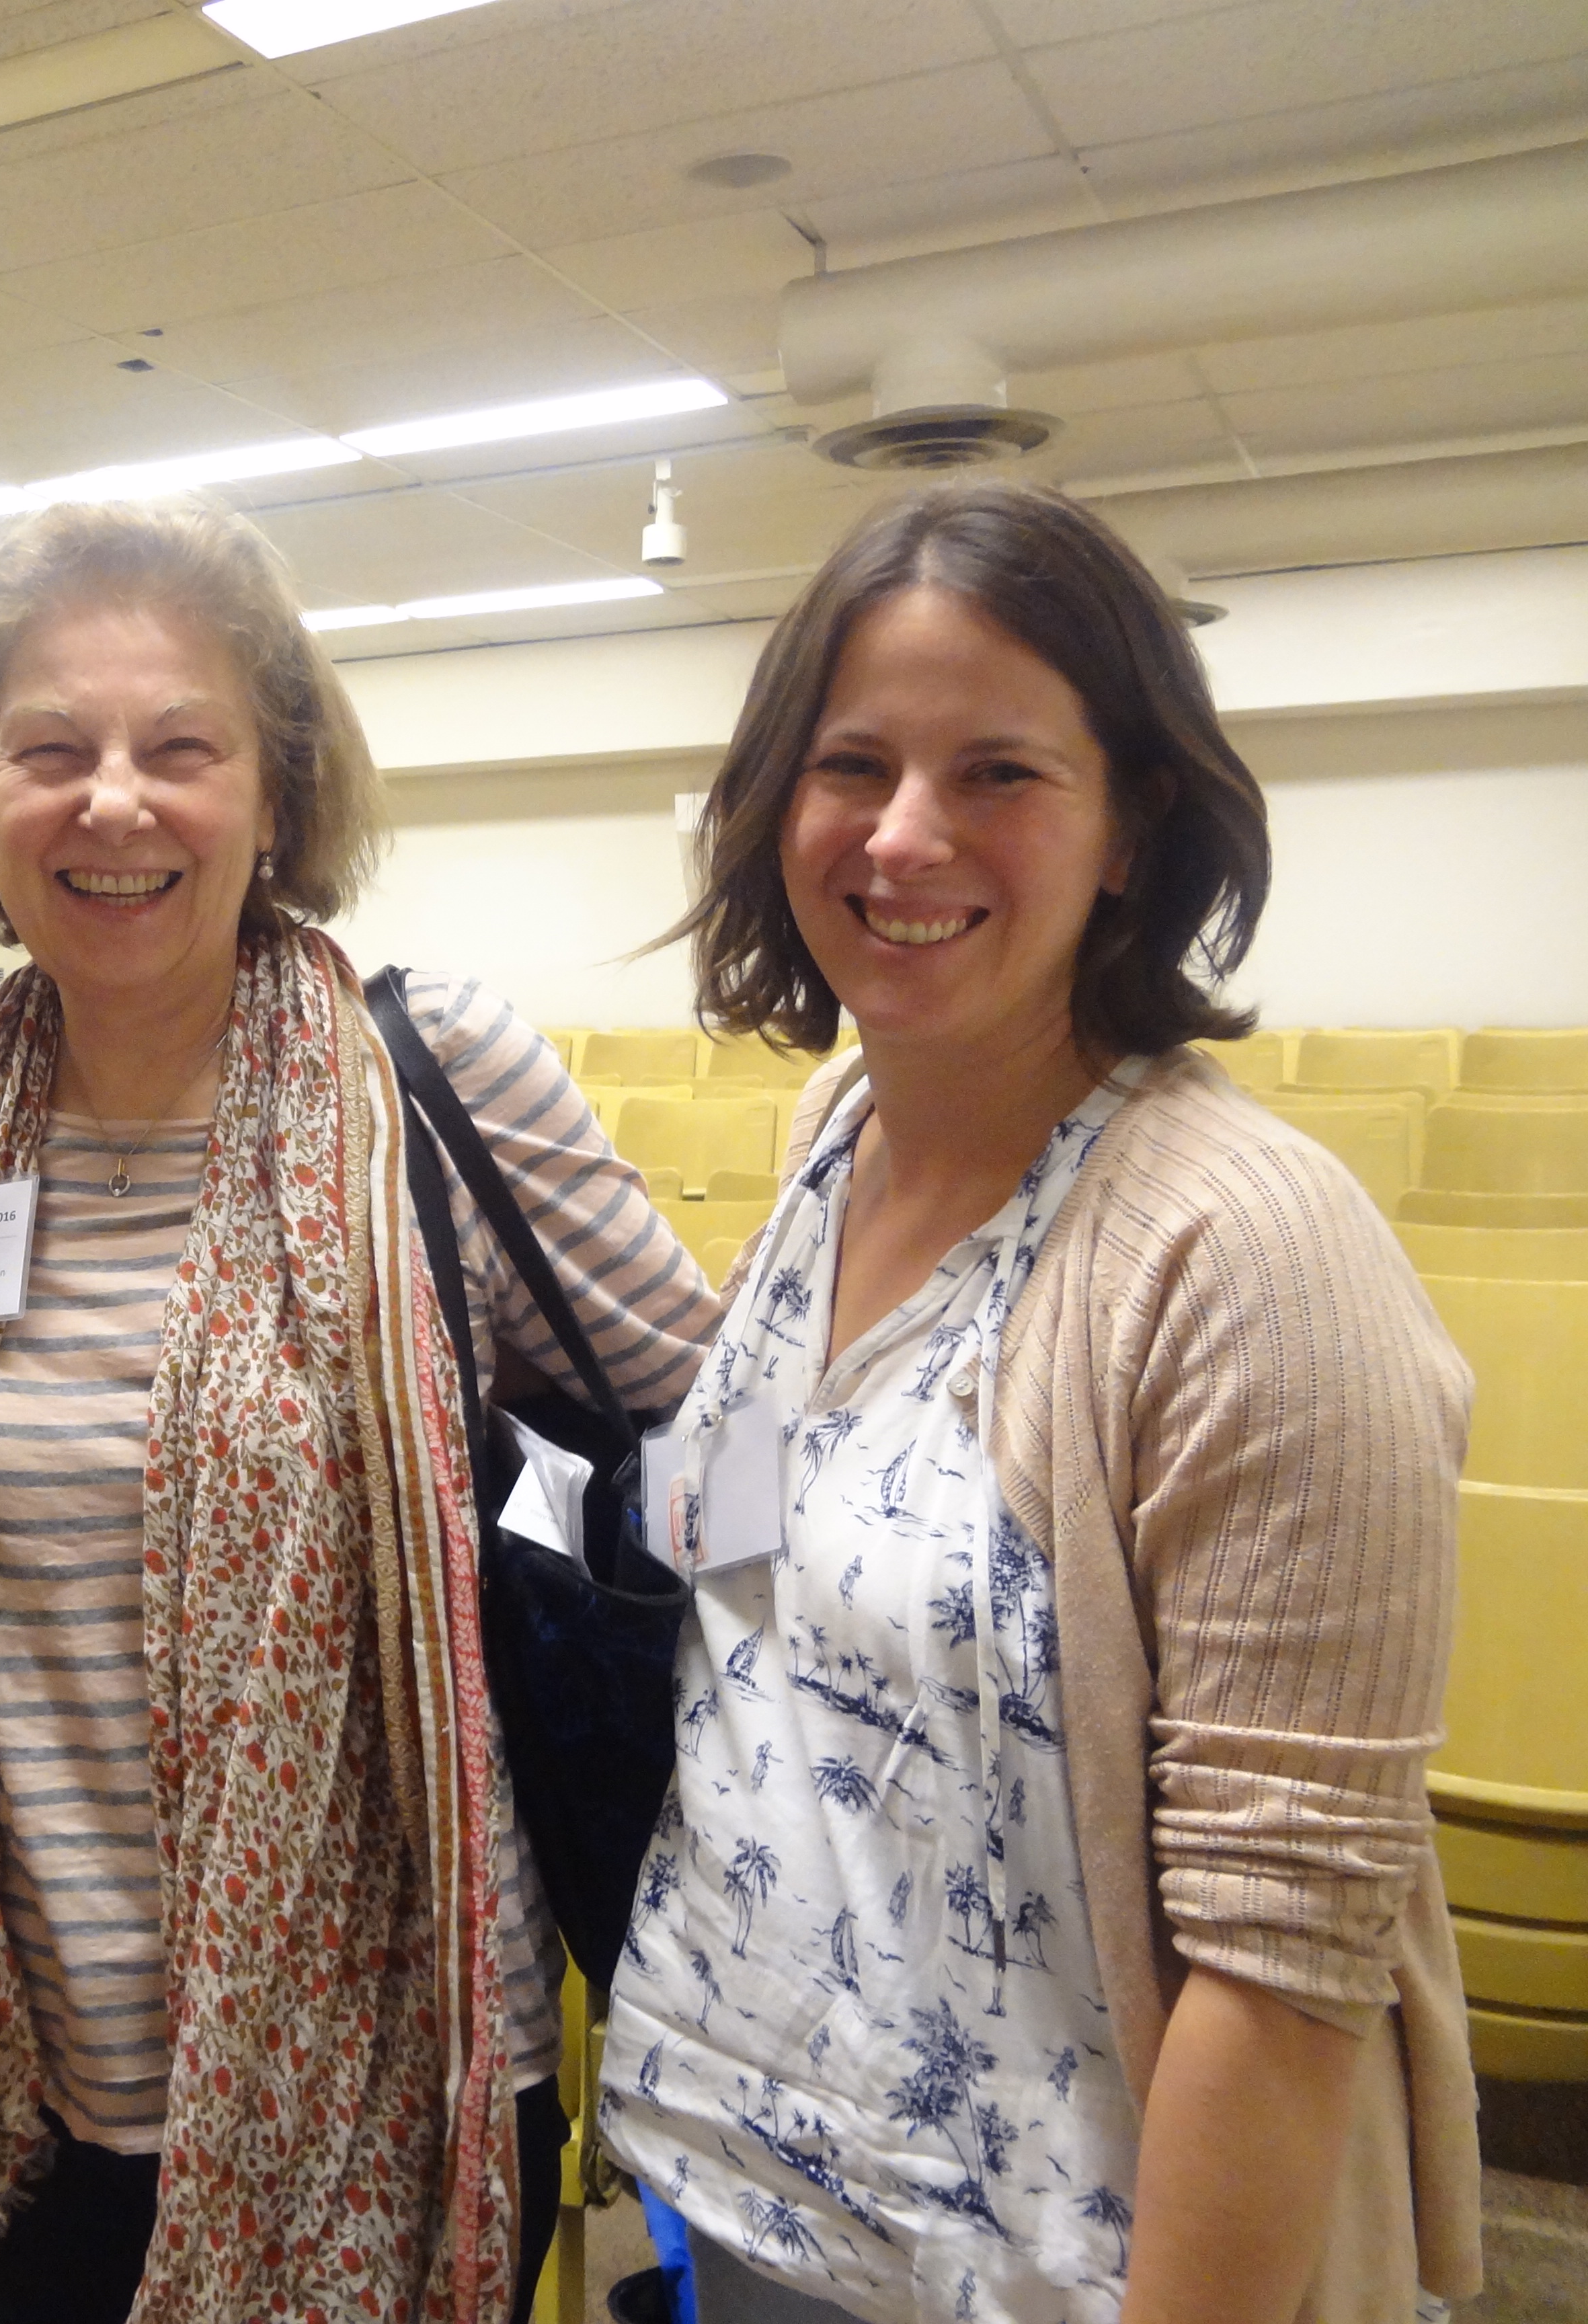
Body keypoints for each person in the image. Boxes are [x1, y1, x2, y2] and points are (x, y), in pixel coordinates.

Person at [601, 479, 1480, 2324]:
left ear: (1133, 826)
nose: (903, 836)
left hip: (1038, 2272)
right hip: (747, 2182)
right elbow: (758, 1527)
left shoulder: (1249, 1258)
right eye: (853, 766)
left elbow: (1281, 1975)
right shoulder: (835, 1135)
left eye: (997, 771)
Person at [0, 497, 720, 2324]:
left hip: (381, 2090)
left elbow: (726, 1434)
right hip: (16, 2095)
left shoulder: (429, 1077)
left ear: (276, 795)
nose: (114, 802)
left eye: (181, 748)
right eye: (50, 750)